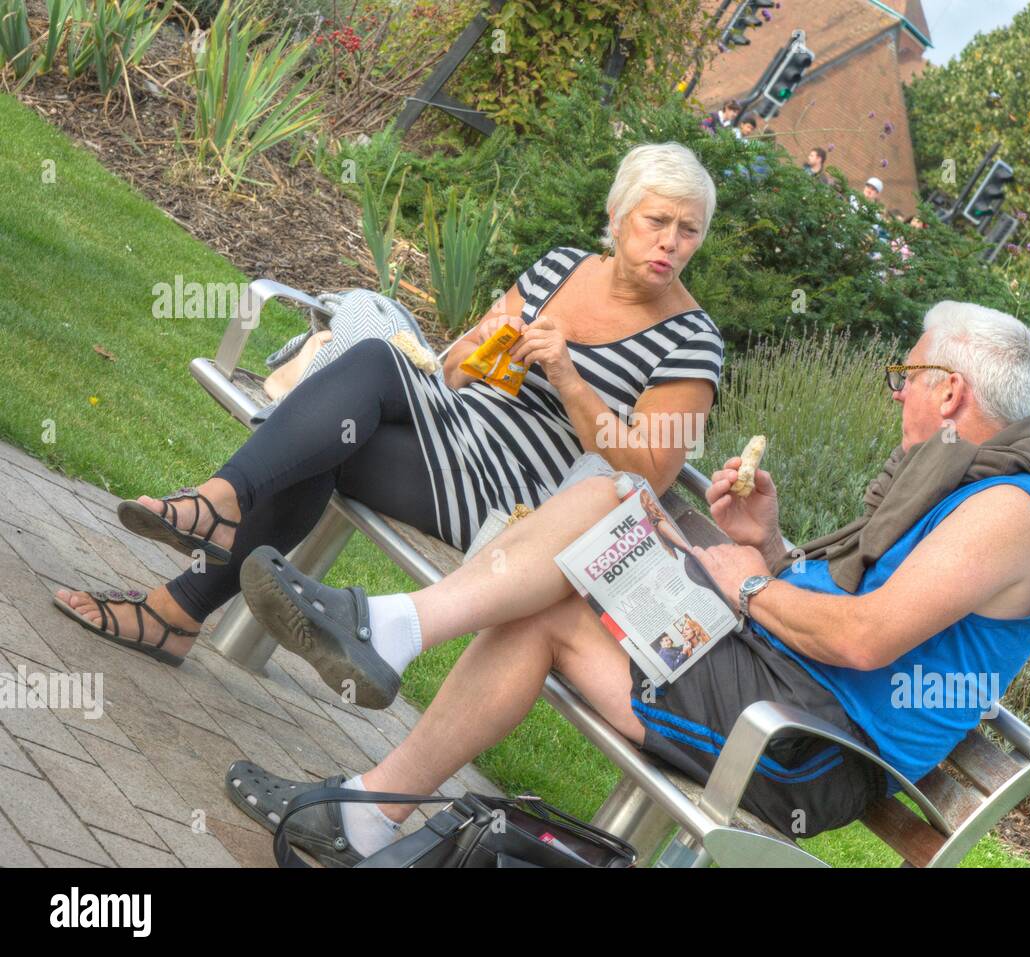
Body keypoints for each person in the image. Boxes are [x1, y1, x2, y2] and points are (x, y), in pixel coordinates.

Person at [224, 300, 1030, 864]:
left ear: (949, 389)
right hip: (775, 690)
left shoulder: (1008, 510)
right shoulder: (964, 483)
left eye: (906, 379)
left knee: (600, 519)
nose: (900, 400)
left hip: (799, 748)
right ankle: (369, 797)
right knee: (609, 510)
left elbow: (862, 639)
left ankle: (385, 666)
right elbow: (840, 615)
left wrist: (744, 586)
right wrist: (765, 545)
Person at [51, 142, 725, 667]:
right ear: (617, 216)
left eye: (687, 230)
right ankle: (184, 590)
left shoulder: (694, 343)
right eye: (656, 220)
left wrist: (571, 379)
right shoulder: (562, 267)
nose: (670, 241)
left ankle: (205, 534)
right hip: (458, 427)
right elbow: (456, 370)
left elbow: (648, 476)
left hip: (519, 500)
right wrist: (480, 345)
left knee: (353, 397)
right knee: (345, 415)